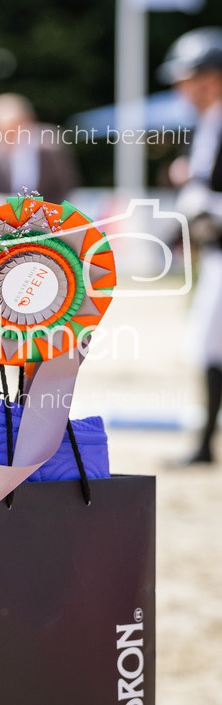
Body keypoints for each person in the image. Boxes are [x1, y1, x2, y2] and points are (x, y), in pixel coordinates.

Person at [159, 27, 222, 464]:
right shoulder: (209, 122)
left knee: (209, 343)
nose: (182, 90)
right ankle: (204, 444)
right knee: (208, 344)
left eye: (189, 79)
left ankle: (204, 445)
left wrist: (200, 207)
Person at [0, 92, 79, 203]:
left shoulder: (51, 145)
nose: (9, 137)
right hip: (6, 216)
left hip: (51, 214)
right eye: (2, 132)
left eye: (14, 128)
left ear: (28, 121)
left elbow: (67, 184)